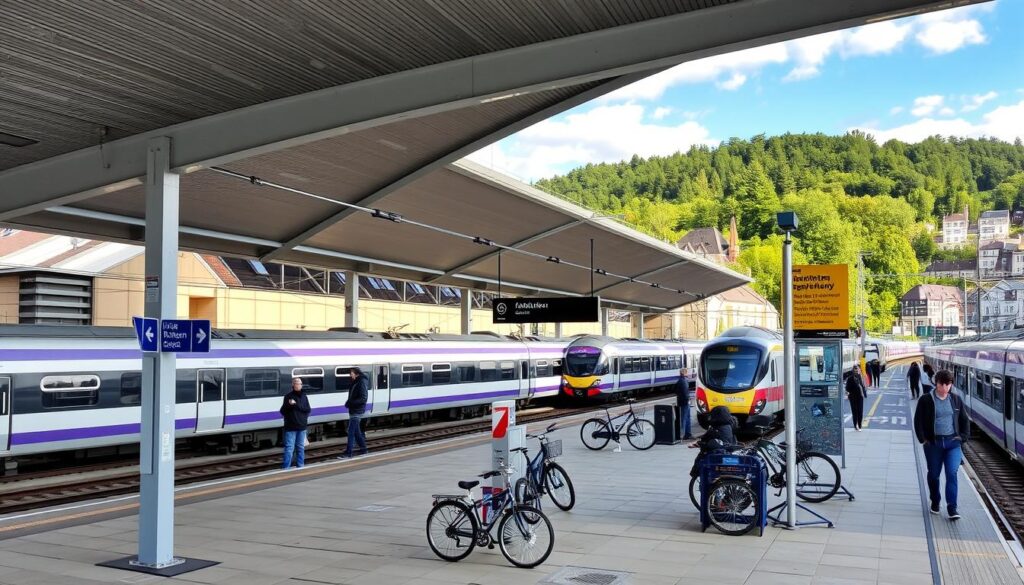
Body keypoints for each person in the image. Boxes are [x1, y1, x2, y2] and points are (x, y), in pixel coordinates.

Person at [913, 369, 969, 520]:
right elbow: (917, 420)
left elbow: (964, 420)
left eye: (948, 384)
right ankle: (935, 501)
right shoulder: (925, 400)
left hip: (952, 443)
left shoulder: (956, 400)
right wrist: (923, 439)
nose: (944, 388)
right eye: (941, 384)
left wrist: (962, 437)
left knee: (952, 473)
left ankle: (952, 508)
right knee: (934, 475)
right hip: (933, 444)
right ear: (936, 383)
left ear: (951, 384)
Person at [688, 406, 738, 478]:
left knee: (702, 457)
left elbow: (710, 442)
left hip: (719, 454)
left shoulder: (717, 429)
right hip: (727, 451)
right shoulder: (729, 425)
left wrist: (699, 444)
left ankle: (695, 473)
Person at [280, 377, 311, 469]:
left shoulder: (304, 396)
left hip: (301, 426)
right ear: (293, 385)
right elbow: (283, 411)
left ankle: (300, 466)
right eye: (297, 383)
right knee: (289, 448)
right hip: (290, 426)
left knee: (300, 447)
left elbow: (307, 409)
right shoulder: (288, 397)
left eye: (300, 383)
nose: (299, 385)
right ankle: (286, 467)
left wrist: (296, 405)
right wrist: (289, 405)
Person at [340, 367, 369, 458]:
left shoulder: (361, 382)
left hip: (357, 410)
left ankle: (349, 453)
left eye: (351, 373)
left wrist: (351, 403)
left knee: (351, 432)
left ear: (356, 373)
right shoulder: (356, 382)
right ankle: (364, 449)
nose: (350, 375)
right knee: (356, 432)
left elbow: (363, 398)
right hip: (354, 410)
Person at [846, 364, 867, 431]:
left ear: (859, 370)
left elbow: (863, 386)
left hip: (860, 397)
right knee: (855, 412)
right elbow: (847, 388)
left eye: (857, 370)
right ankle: (856, 425)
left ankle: (860, 426)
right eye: (855, 371)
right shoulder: (850, 379)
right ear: (853, 371)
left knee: (860, 411)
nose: (856, 372)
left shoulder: (861, 377)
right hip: (853, 397)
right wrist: (848, 393)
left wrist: (864, 394)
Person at [675, 368, 693, 440]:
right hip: (685, 402)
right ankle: (683, 435)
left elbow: (675, 391)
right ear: (685, 373)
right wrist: (688, 399)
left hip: (682, 402)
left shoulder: (680, 381)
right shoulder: (684, 381)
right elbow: (686, 393)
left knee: (686, 418)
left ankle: (687, 434)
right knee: (685, 418)